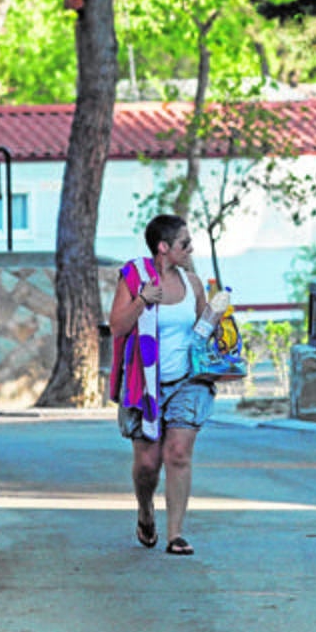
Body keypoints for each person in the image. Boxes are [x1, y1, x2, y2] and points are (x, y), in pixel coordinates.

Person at [108, 214, 214, 556]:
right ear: (164, 247)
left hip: (186, 381)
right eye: (185, 243)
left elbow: (203, 331)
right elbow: (118, 328)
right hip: (145, 383)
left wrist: (218, 319)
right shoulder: (135, 279)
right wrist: (142, 301)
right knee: (148, 464)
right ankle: (145, 511)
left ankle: (176, 534)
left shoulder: (193, 283)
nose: (190, 248)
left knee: (178, 454)